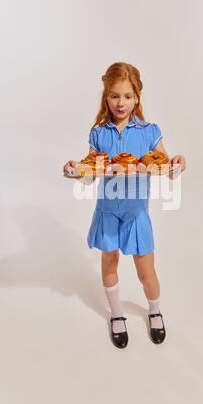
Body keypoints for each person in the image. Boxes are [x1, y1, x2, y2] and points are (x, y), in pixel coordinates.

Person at [63, 62, 186, 349]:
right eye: (115, 96)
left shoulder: (148, 131)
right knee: (110, 261)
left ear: (137, 97)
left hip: (136, 213)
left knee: (147, 272)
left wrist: (177, 163)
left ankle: (154, 310)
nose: (121, 103)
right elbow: (91, 171)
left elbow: (165, 167)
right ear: (106, 97)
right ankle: (117, 315)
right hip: (107, 212)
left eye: (128, 96)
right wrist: (75, 169)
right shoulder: (98, 133)